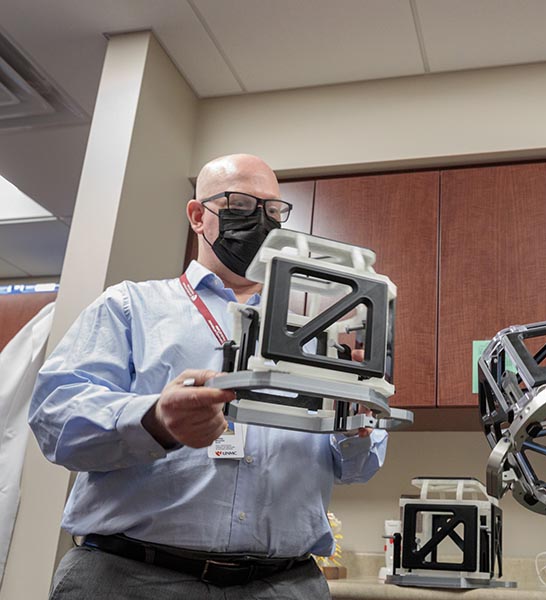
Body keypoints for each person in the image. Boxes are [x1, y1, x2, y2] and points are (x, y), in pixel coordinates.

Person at [29, 154, 388, 599]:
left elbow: (355, 468)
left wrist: (358, 421)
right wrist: (154, 419)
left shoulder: (317, 337)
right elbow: (54, 418)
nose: (261, 221)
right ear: (199, 216)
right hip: (131, 578)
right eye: (240, 204)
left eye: (273, 211)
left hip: (285, 583)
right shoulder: (129, 309)